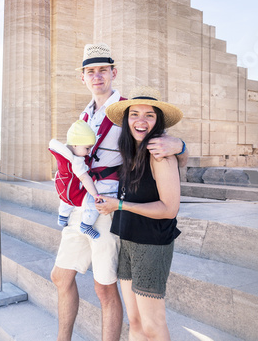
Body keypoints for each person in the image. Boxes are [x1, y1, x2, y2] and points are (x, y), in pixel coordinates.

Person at [50, 43, 188, 341]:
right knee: (60, 277)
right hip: (83, 203)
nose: (97, 76)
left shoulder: (128, 110)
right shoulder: (86, 115)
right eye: (90, 71)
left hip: (109, 206)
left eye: (102, 70)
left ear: (114, 73)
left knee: (106, 288)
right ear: (83, 78)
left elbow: (156, 142)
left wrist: (181, 146)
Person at [96, 86, 184, 340]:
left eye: (149, 115)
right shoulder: (131, 151)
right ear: (127, 120)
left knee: (153, 325)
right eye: (134, 114)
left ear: (158, 123)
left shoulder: (160, 155)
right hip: (128, 239)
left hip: (152, 244)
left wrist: (120, 205)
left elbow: (169, 209)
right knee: (134, 322)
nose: (141, 121)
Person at [49, 120, 105, 239]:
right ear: (75, 144)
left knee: (65, 199)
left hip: (63, 186)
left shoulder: (64, 152)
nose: (89, 152)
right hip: (73, 189)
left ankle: (63, 216)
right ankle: (86, 225)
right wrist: (95, 194)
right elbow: (84, 178)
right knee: (92, 202)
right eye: (87, 148)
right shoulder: (77, 161)